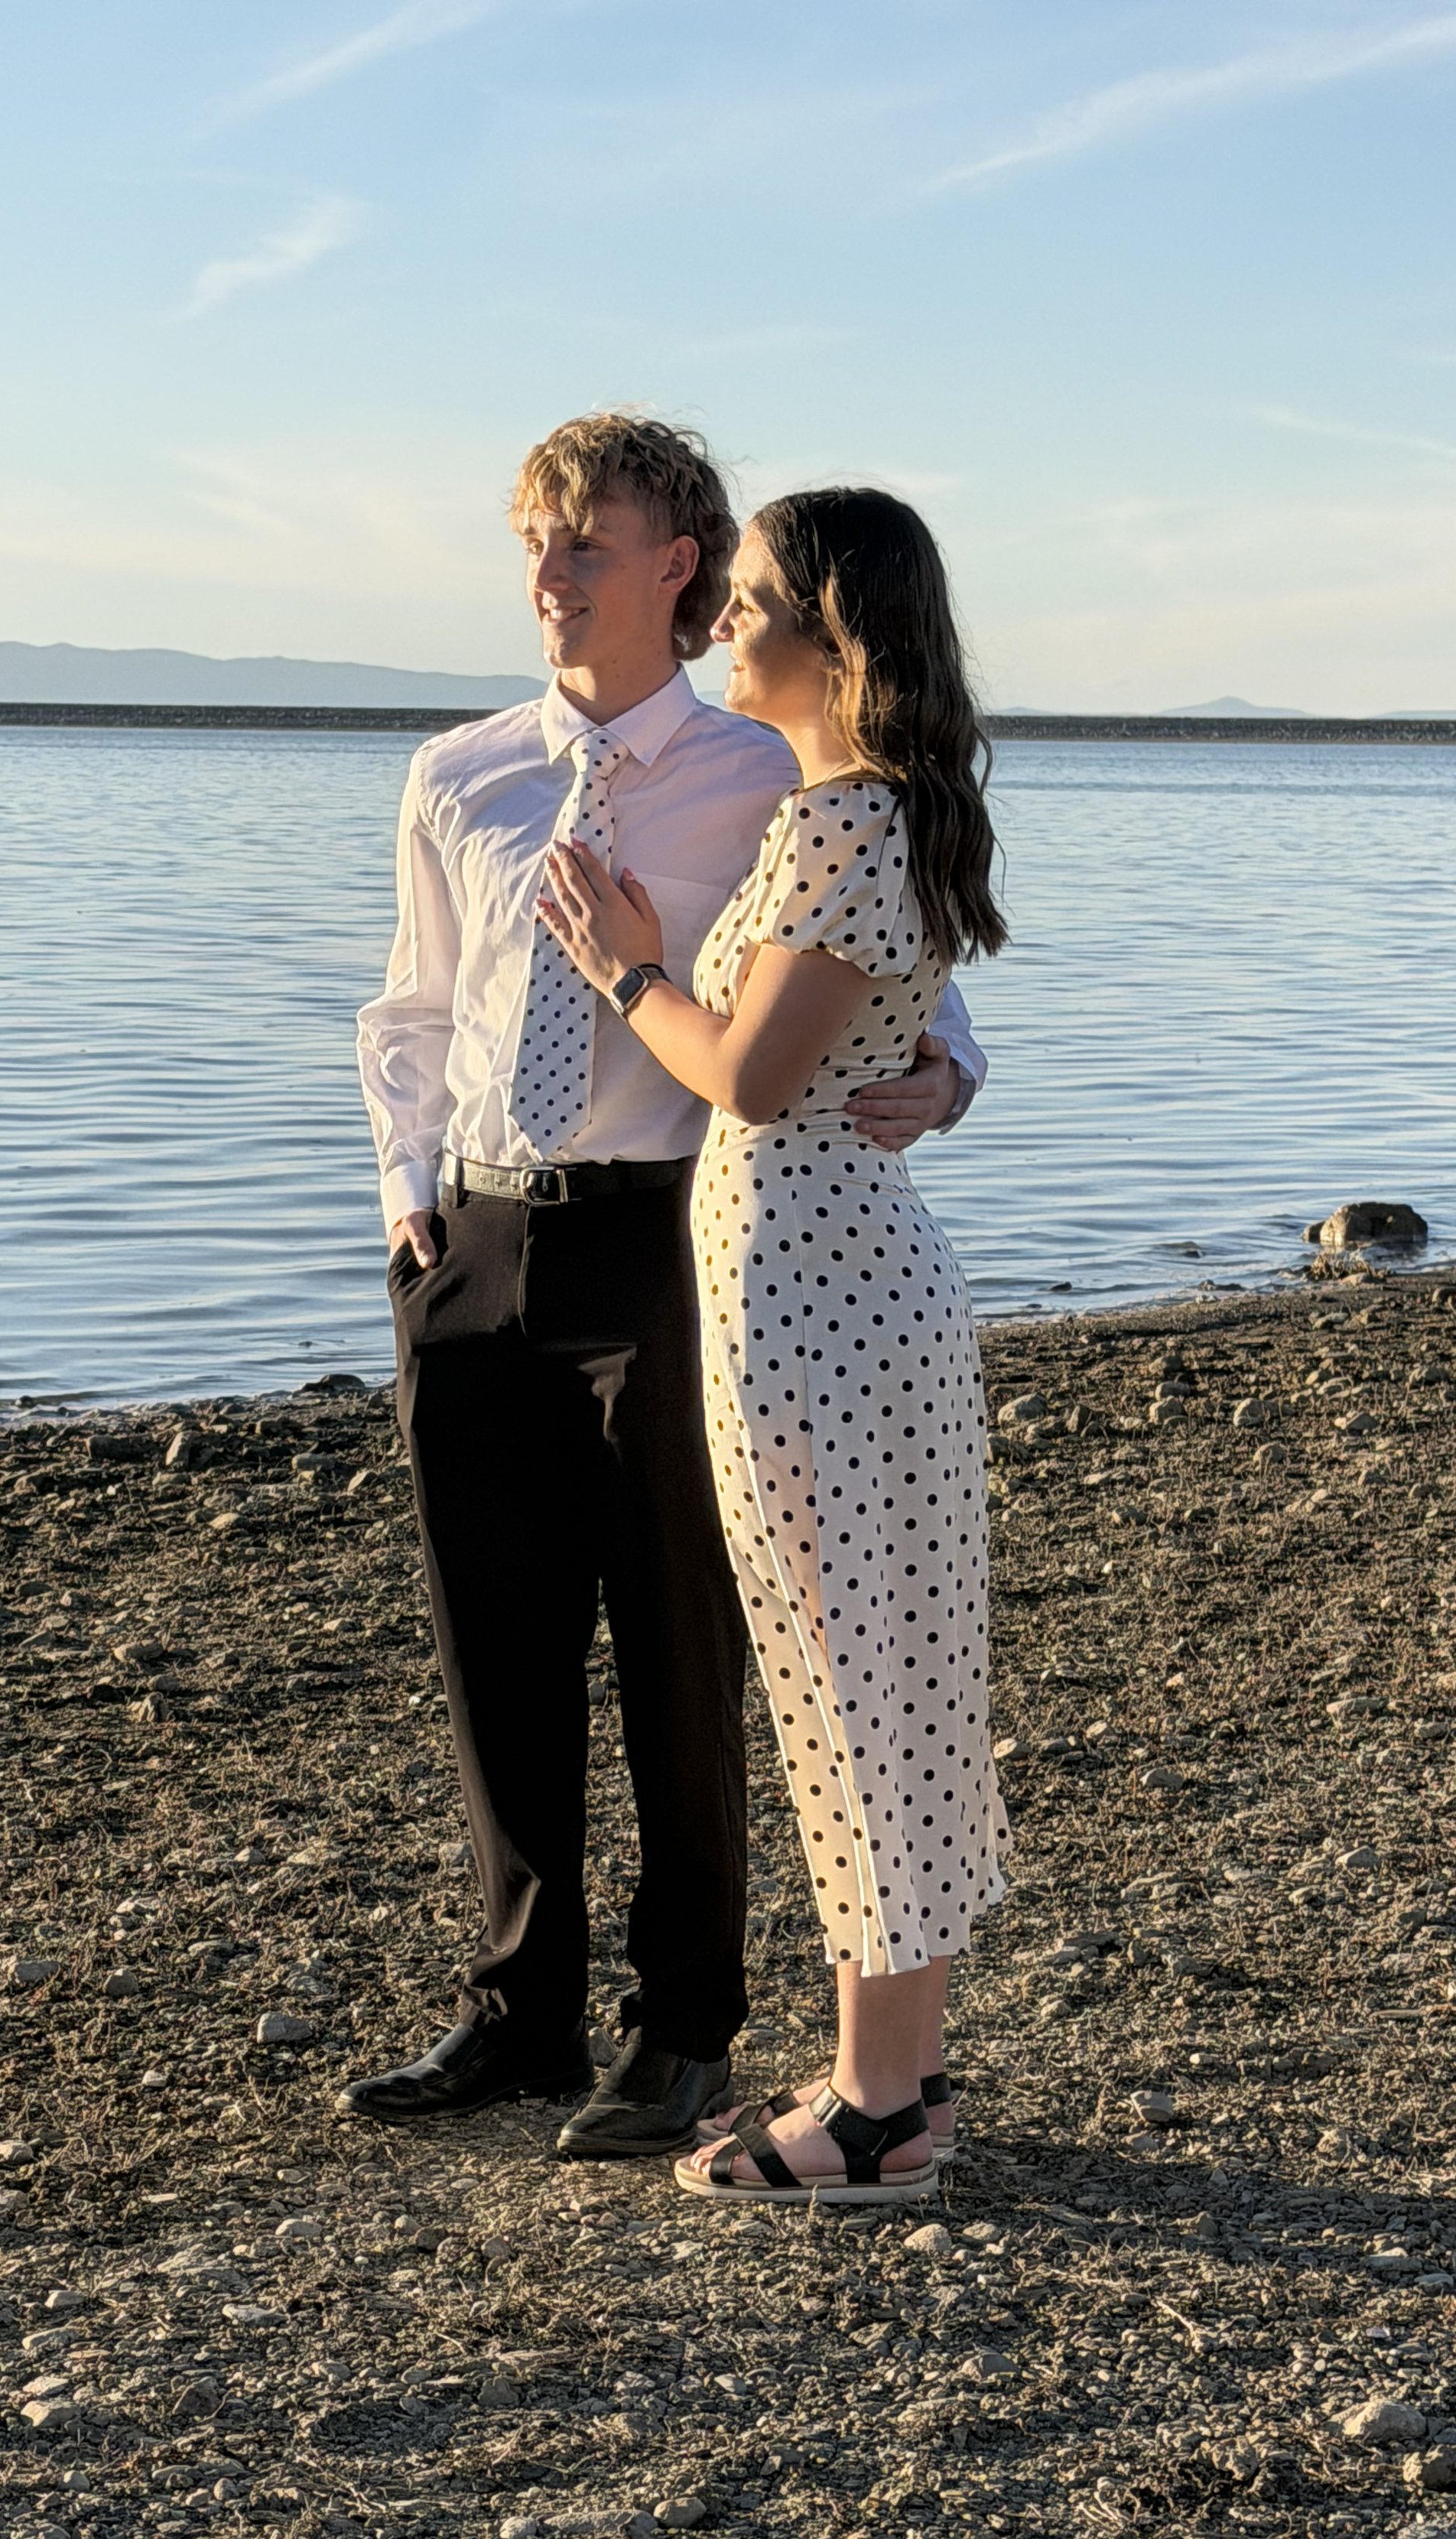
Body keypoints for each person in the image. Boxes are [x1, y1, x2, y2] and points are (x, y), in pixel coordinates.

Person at [345, 416, 987, 2158]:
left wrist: (954, 1071)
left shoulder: (780, 768)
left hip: (671, 1236)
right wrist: (408, 1197)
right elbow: (410, 1010)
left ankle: (684, 2027)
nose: (546, 578)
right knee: (498, 1643)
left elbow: (885, 973)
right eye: (532, 545)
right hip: (474, 1238)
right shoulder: (458, 772)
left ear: (677, 567)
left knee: (692, 1646)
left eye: (580, 544)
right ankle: (516, 2009)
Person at [535, 486, 1011, 2201]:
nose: (719, 624)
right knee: (859, 1670)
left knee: (855, 1673)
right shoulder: (859, 814)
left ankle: (879, 2111)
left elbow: (745, 1073)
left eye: (743, 602)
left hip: (819, 1305)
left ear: (831, 635)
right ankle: (888, 2075)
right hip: (817, 1290)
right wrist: (947, 1071)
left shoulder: (842, 825)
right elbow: (868, 1031)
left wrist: (624, 964)